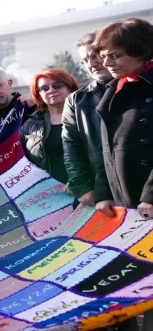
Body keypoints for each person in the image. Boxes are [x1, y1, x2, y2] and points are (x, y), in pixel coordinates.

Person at [93, 18, 153, 221]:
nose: (107, 63)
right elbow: (105, 148)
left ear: (142, 51)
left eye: (115, 56)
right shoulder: (114, 89)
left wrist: (151, 195)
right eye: (104, 56)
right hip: (124, 204)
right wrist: (103, 193)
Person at [62, 31, 114, 206]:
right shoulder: (76, 100)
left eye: (95, 56)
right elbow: (71, 146)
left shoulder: (139, 88)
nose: (91, 64)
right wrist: (83, 188)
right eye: (85, 60)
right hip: (98, 192)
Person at [21, 69, 79, 184]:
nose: (51, 90)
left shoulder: (88, 115)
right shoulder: (30, 125)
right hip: (51, 195)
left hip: (89, 191)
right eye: (44, 88)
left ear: (70, 87)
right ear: (39, 95)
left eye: (58, 85)